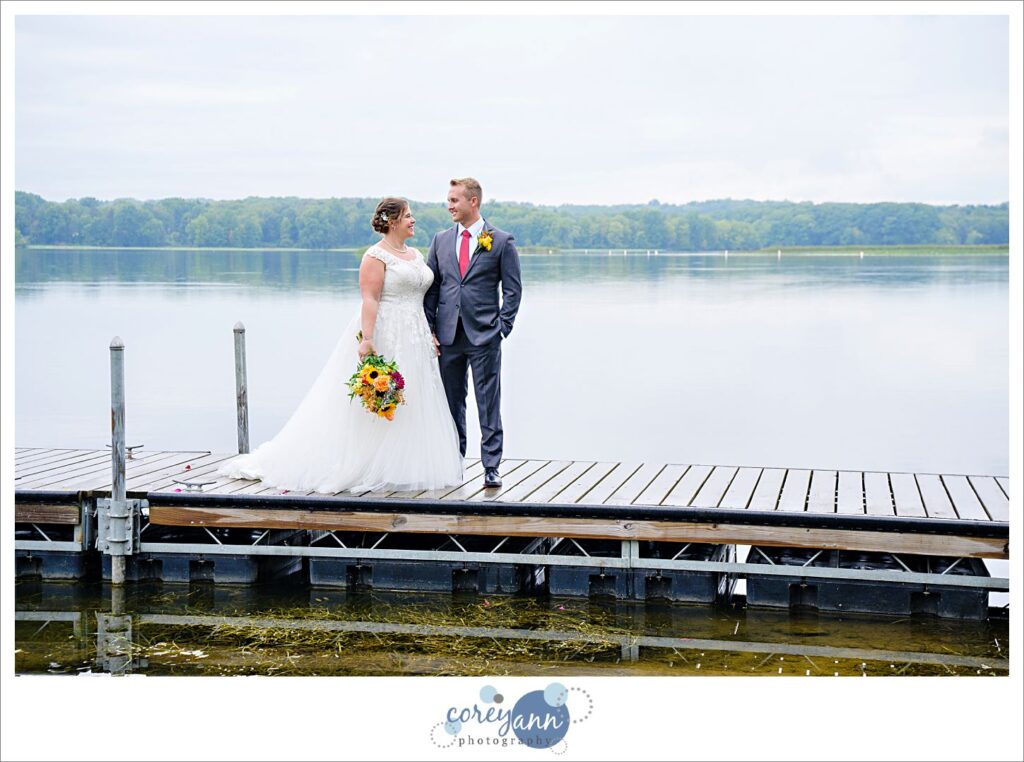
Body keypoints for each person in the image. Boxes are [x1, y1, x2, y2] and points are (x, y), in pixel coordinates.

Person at [217, 198, 464, 493]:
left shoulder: (414, 254)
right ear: (392, 221)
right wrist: (368, 340)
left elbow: (422, 296)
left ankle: (403, 464)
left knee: (415, 398)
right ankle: (366, 463)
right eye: (408, 216)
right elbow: (370, 299)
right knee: (382, 398)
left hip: (417, 334)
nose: (413, 221)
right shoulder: (376, 256)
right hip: (388, 331)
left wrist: (431, 331)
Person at [424, 178, 522, 489]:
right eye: (449, 200)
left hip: (485, 337)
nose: (449, 205)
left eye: (454, 200)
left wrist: (501, 328)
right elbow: (432, 287)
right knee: (452, 404)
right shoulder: (440, 240)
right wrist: (430, 329)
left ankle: (491, 467)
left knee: (488, 403)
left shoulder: (501, 241)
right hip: (448, 335)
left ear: (473, 202)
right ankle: (454, 463)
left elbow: (513, 290)